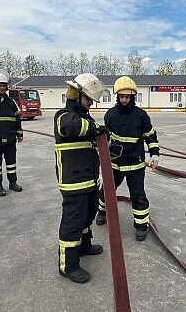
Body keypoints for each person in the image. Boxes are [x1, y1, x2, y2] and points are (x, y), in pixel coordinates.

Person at [54, 73, 108, 284]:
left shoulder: (86, 117)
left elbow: (90, 137)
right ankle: (68, 265)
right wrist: (96, 130)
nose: (89, 105)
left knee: (88, 215)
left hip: (89, 180)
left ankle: (84, 245)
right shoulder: (63, 116)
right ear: (76, 95)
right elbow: (73, 127)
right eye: (88, 100)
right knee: (73, 221)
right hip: (73, 182)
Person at [96, 76, 160, 241]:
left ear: (132, 97)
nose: (124, 100)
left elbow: (150, 135)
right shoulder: (110, 115)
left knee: (138, 195)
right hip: (114, 164)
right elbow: (105, 139)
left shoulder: (141, 116)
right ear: (117, 96)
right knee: (106, 191)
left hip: (135, 165)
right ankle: (101, 212)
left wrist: (154, 154)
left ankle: (140, 226)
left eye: (127, 97)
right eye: (121, 96)